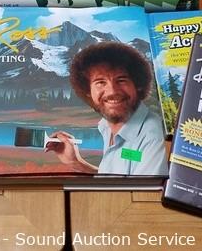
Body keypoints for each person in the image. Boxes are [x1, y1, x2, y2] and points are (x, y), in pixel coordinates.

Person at [45, 42, 169, 176]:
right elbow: (128, 166)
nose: (112, 91)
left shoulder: (154, 138)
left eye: (121, 80)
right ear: (88, 91)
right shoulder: (106, 127)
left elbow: (142, 189)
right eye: (100, 82)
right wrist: (76, 162)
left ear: (138, 85)